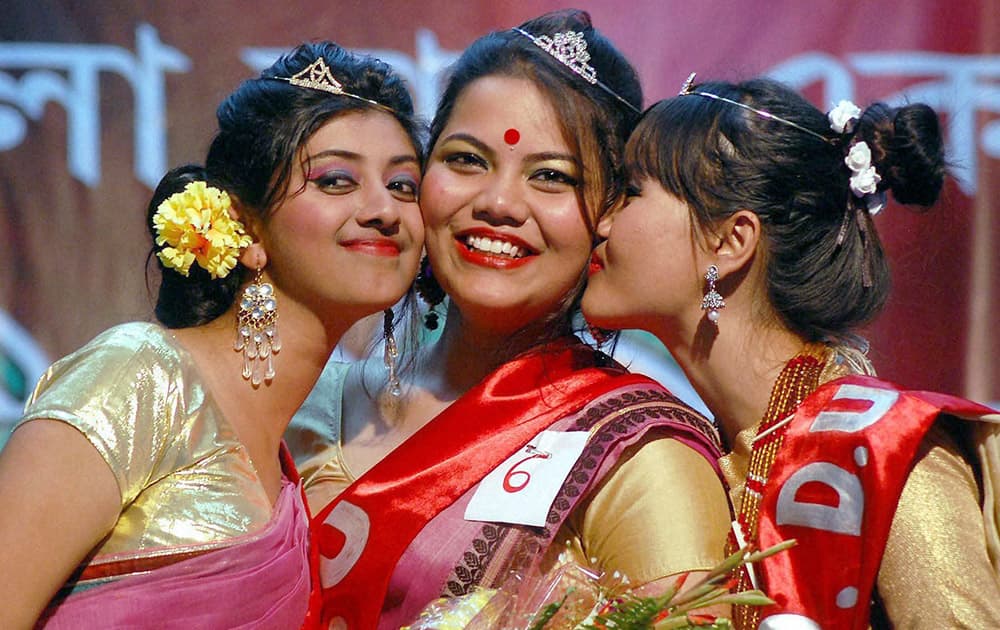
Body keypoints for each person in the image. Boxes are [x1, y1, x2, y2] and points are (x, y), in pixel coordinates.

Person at [288, 10, 731, 629]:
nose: (497, 203)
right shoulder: (310, 404)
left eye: (551, 176)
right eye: (467, 160)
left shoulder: (632, 453)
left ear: (609, 212)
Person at [0, 41, 424, 628]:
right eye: (335, 180)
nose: (385, 209)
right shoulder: (140, 378)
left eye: (404, 185)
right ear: (244, 225)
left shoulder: (289, 468)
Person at [582, 74, 1000, 628]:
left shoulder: (886, 455)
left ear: (730, 243)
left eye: (631, 192)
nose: (601, 220)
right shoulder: (702, 451)